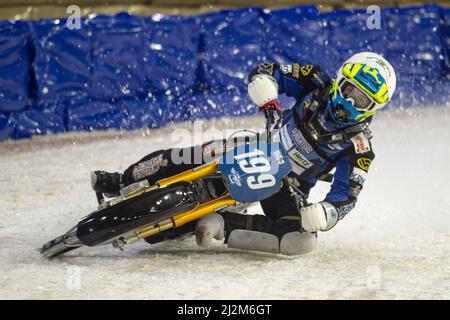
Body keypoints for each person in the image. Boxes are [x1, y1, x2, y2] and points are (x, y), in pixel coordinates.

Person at [91, 52, 396, 255]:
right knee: (187, 155)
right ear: (338, 81)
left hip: (286, 186)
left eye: (362, 101)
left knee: (300, 241)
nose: (349, 103)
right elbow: (268, 70)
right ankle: (119, 180)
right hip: (257, 145)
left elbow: (347, 196)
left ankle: (223, 226)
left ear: (374, 110)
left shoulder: (360, 148)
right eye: (348, 90)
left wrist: (327, 213)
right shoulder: (314, 79)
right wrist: (265, 85)